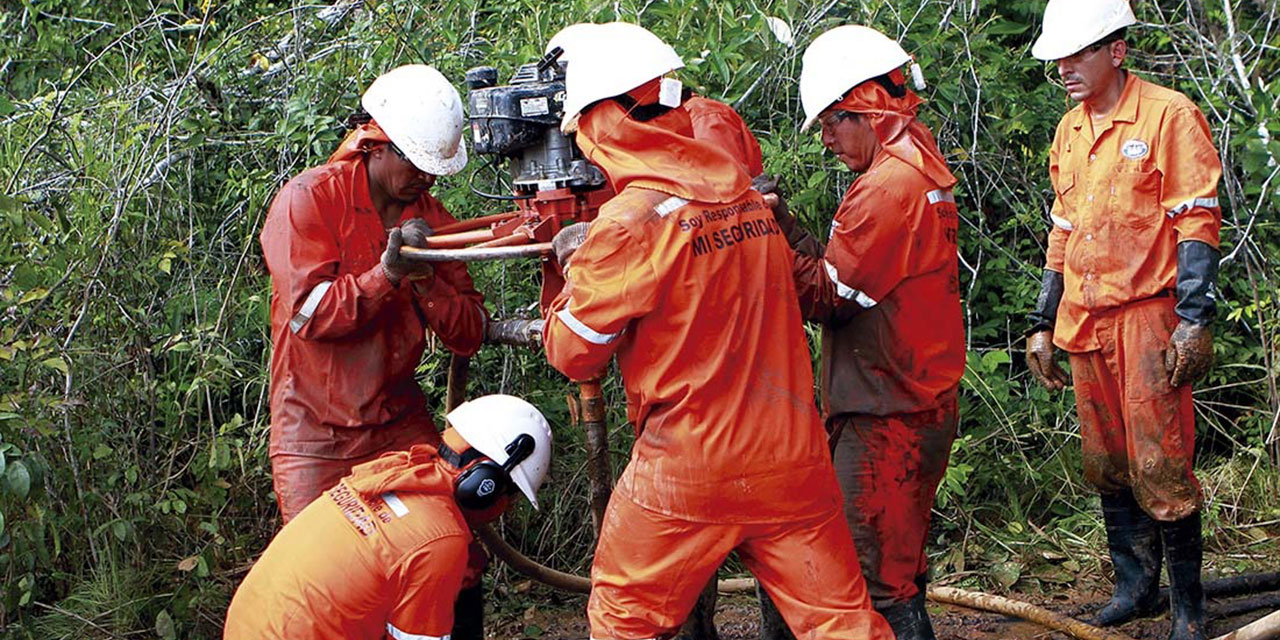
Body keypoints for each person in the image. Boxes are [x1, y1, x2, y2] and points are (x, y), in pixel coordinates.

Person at [541, 22, 892, 640]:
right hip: (791, 458)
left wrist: (573, 274)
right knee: (840, 622)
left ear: (602, 124)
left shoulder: (627, 224)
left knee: (625, 617)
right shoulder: (748, 199)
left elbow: (575, 355)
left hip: (689, 465)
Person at [258, 64, 490, 634]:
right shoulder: (308, 201)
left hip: (397, 424)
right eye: (415, 164)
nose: (425, 181)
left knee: (454, 557)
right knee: (330, 571)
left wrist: (428, 278)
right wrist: (386, 275)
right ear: (375, 144)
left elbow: (469, 332)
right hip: (315, 431)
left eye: (434, 170)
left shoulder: (432, 220)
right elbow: (310, 316)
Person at [757, 24, 965, 640]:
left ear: (867, 108)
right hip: (910, 397)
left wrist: (763, 235)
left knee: (875, 575)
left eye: (830, 124)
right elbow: (847, 276)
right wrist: (788, 224)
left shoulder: (886, 188)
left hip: (888, 411)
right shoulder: (917, 165)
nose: (825, 141)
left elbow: (827, 297)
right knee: (897, 562)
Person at [1024, 2, 1222, 639]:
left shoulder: (1169, 116)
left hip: (1146, 315)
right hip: (1084, 318)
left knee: (1160, 463)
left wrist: (1194, 318)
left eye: (1078, 53)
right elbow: (1062, 229)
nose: (1064, 68)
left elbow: (1195, 218)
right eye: (1059, 56)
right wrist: (1042, 320)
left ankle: (1189, 608)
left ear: (1117, 51)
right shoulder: (1069, 131)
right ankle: (1136, 588)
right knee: (1107, 462)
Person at [224, 394, 552, 640]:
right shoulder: (440, 538)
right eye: (510, 496)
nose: (506, 508)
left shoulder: (393, 471)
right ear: (486, 485)